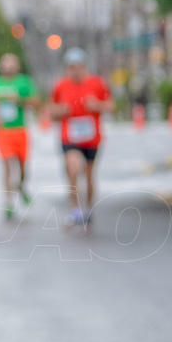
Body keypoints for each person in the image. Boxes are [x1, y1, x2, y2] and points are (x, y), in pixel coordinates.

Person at [49, 47, 115, 227]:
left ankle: (88, 209)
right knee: (72, 168)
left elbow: (111, 106)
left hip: (91, 138)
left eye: (77, 66)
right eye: (71, 67)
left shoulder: (97, 83)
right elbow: (51, 112)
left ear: (84, 66)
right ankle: (74, 209)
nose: (74, 70)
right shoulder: (60, 86)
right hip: (69, 137)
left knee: (89, 174)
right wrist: (61, 111)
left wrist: (96, 106)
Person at [0, 53, 39, 219]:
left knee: (23, 167)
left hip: (20, 129)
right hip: (3, 131)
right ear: (0, 66)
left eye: (12, 63)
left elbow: (36, 103)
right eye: (5, 63)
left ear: (17, 66)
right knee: (8, 165)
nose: (8, 67)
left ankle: (21, 185)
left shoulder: (24, 82)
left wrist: (19, 99)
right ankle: (9, 202)